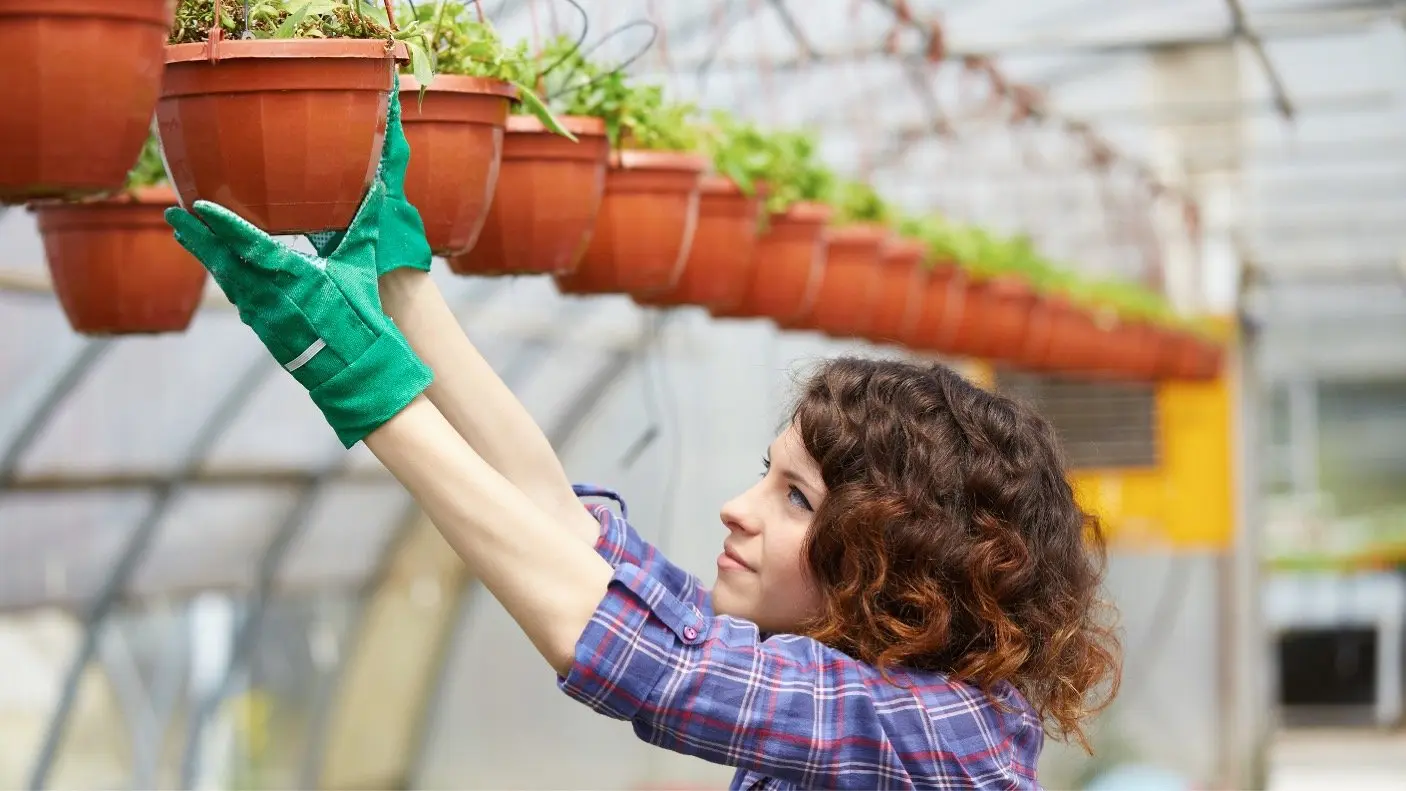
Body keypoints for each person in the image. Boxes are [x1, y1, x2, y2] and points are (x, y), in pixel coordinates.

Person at [166, 78, 1121, 790]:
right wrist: (402, 288)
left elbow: (656, 666)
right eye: (767, 474)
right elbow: (575, 544)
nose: (736, 510)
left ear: (904, 566)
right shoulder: (880, 697)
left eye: (796, 497)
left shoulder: (943, 739)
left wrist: (361, 385)